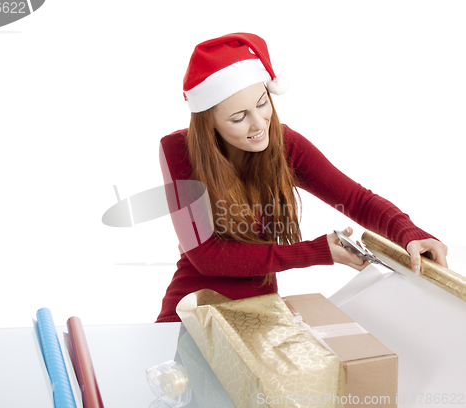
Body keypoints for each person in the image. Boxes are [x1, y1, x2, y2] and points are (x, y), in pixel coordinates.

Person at [155, 33, 448, 323]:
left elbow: (355, 200)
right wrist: (314, 252)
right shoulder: (178, 152)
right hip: (190, 312)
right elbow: (207, 257)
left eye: (262, 103)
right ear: (210, 124)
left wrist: (409, 233)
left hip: (258, 316)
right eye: (239, 117)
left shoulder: (284, 145)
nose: (260, 124)